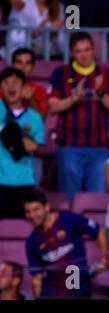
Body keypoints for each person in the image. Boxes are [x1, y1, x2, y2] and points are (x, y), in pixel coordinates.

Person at [48, 32, 109, 203]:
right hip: (68, 148)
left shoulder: (106, 73)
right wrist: (74, 98)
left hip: (99, 148)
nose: (84, 54)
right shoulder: (60, 73)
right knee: (71, 200)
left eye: (87, 49)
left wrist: (101, 93)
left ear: (93, 50)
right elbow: (52, 107)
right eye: (79, 51)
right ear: (72, 53)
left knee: (97, 200)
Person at [24, 190, 108, 299]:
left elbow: (99, 231)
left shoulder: (70, 219)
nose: (32, 215)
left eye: (36, 210)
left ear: (47, 207)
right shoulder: (32, 241)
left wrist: (104, 261)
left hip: (79, 290)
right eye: (28, 211)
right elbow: (37, 278)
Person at [0, 67, 44, 219]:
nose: (11, 86)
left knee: (22, 231)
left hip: (24, 183)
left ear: (24, 87)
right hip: (1, 183)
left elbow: (42, 150)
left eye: (16, 82)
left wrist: (35, 147)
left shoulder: (34, 117)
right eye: (6, 82)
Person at [0, 48, 48, 119]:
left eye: (28, 63)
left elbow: (41, 120)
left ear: (33, 67)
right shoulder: (2, 88)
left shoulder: (39, 90)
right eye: (19, 62)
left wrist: (31, 100)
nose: (23, 67)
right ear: (13, 64)